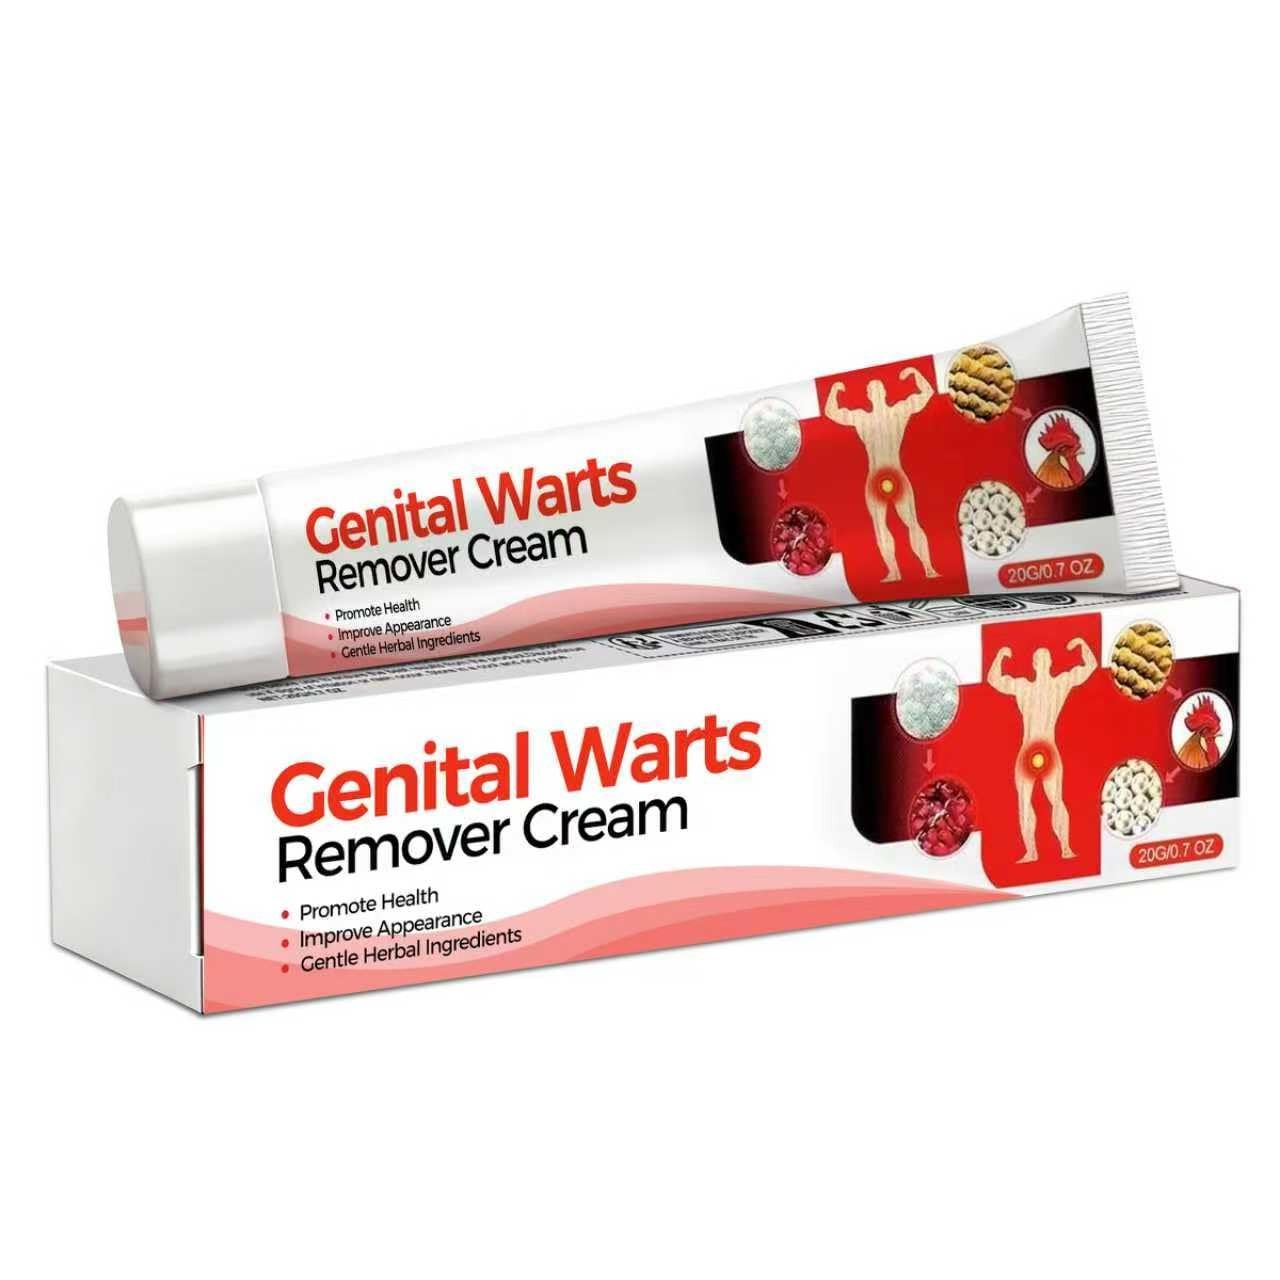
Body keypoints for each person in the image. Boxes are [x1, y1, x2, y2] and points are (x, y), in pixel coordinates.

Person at [823, 368, 940, 582]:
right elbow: (832, 412)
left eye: (878, 388)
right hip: (877, 477)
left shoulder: (896, 412)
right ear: (868, 396)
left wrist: (915, 373)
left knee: (910, 522)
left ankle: (928, 568)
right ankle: (895, 571)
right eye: (872, 389)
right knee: (881, 526)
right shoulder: (864, 418)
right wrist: (834, 390)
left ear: (884, 393)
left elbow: (927, 393)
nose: (875, 392)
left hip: (893, 474)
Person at [986, 638, 1097, 863]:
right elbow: (993, 679)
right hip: (1032, 750)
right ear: (1035, 664)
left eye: (1046, 657)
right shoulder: (1028, 687)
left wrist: (1081, 643)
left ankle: (1065, 847)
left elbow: (1091, 666)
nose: (1044, 661)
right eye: (1041, 658)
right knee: (1026, 802)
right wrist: (999, 656)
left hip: (1044, 749)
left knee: (1055, 799)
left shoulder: (1055, 685)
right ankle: (1033, 852)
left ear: (1048, 663)